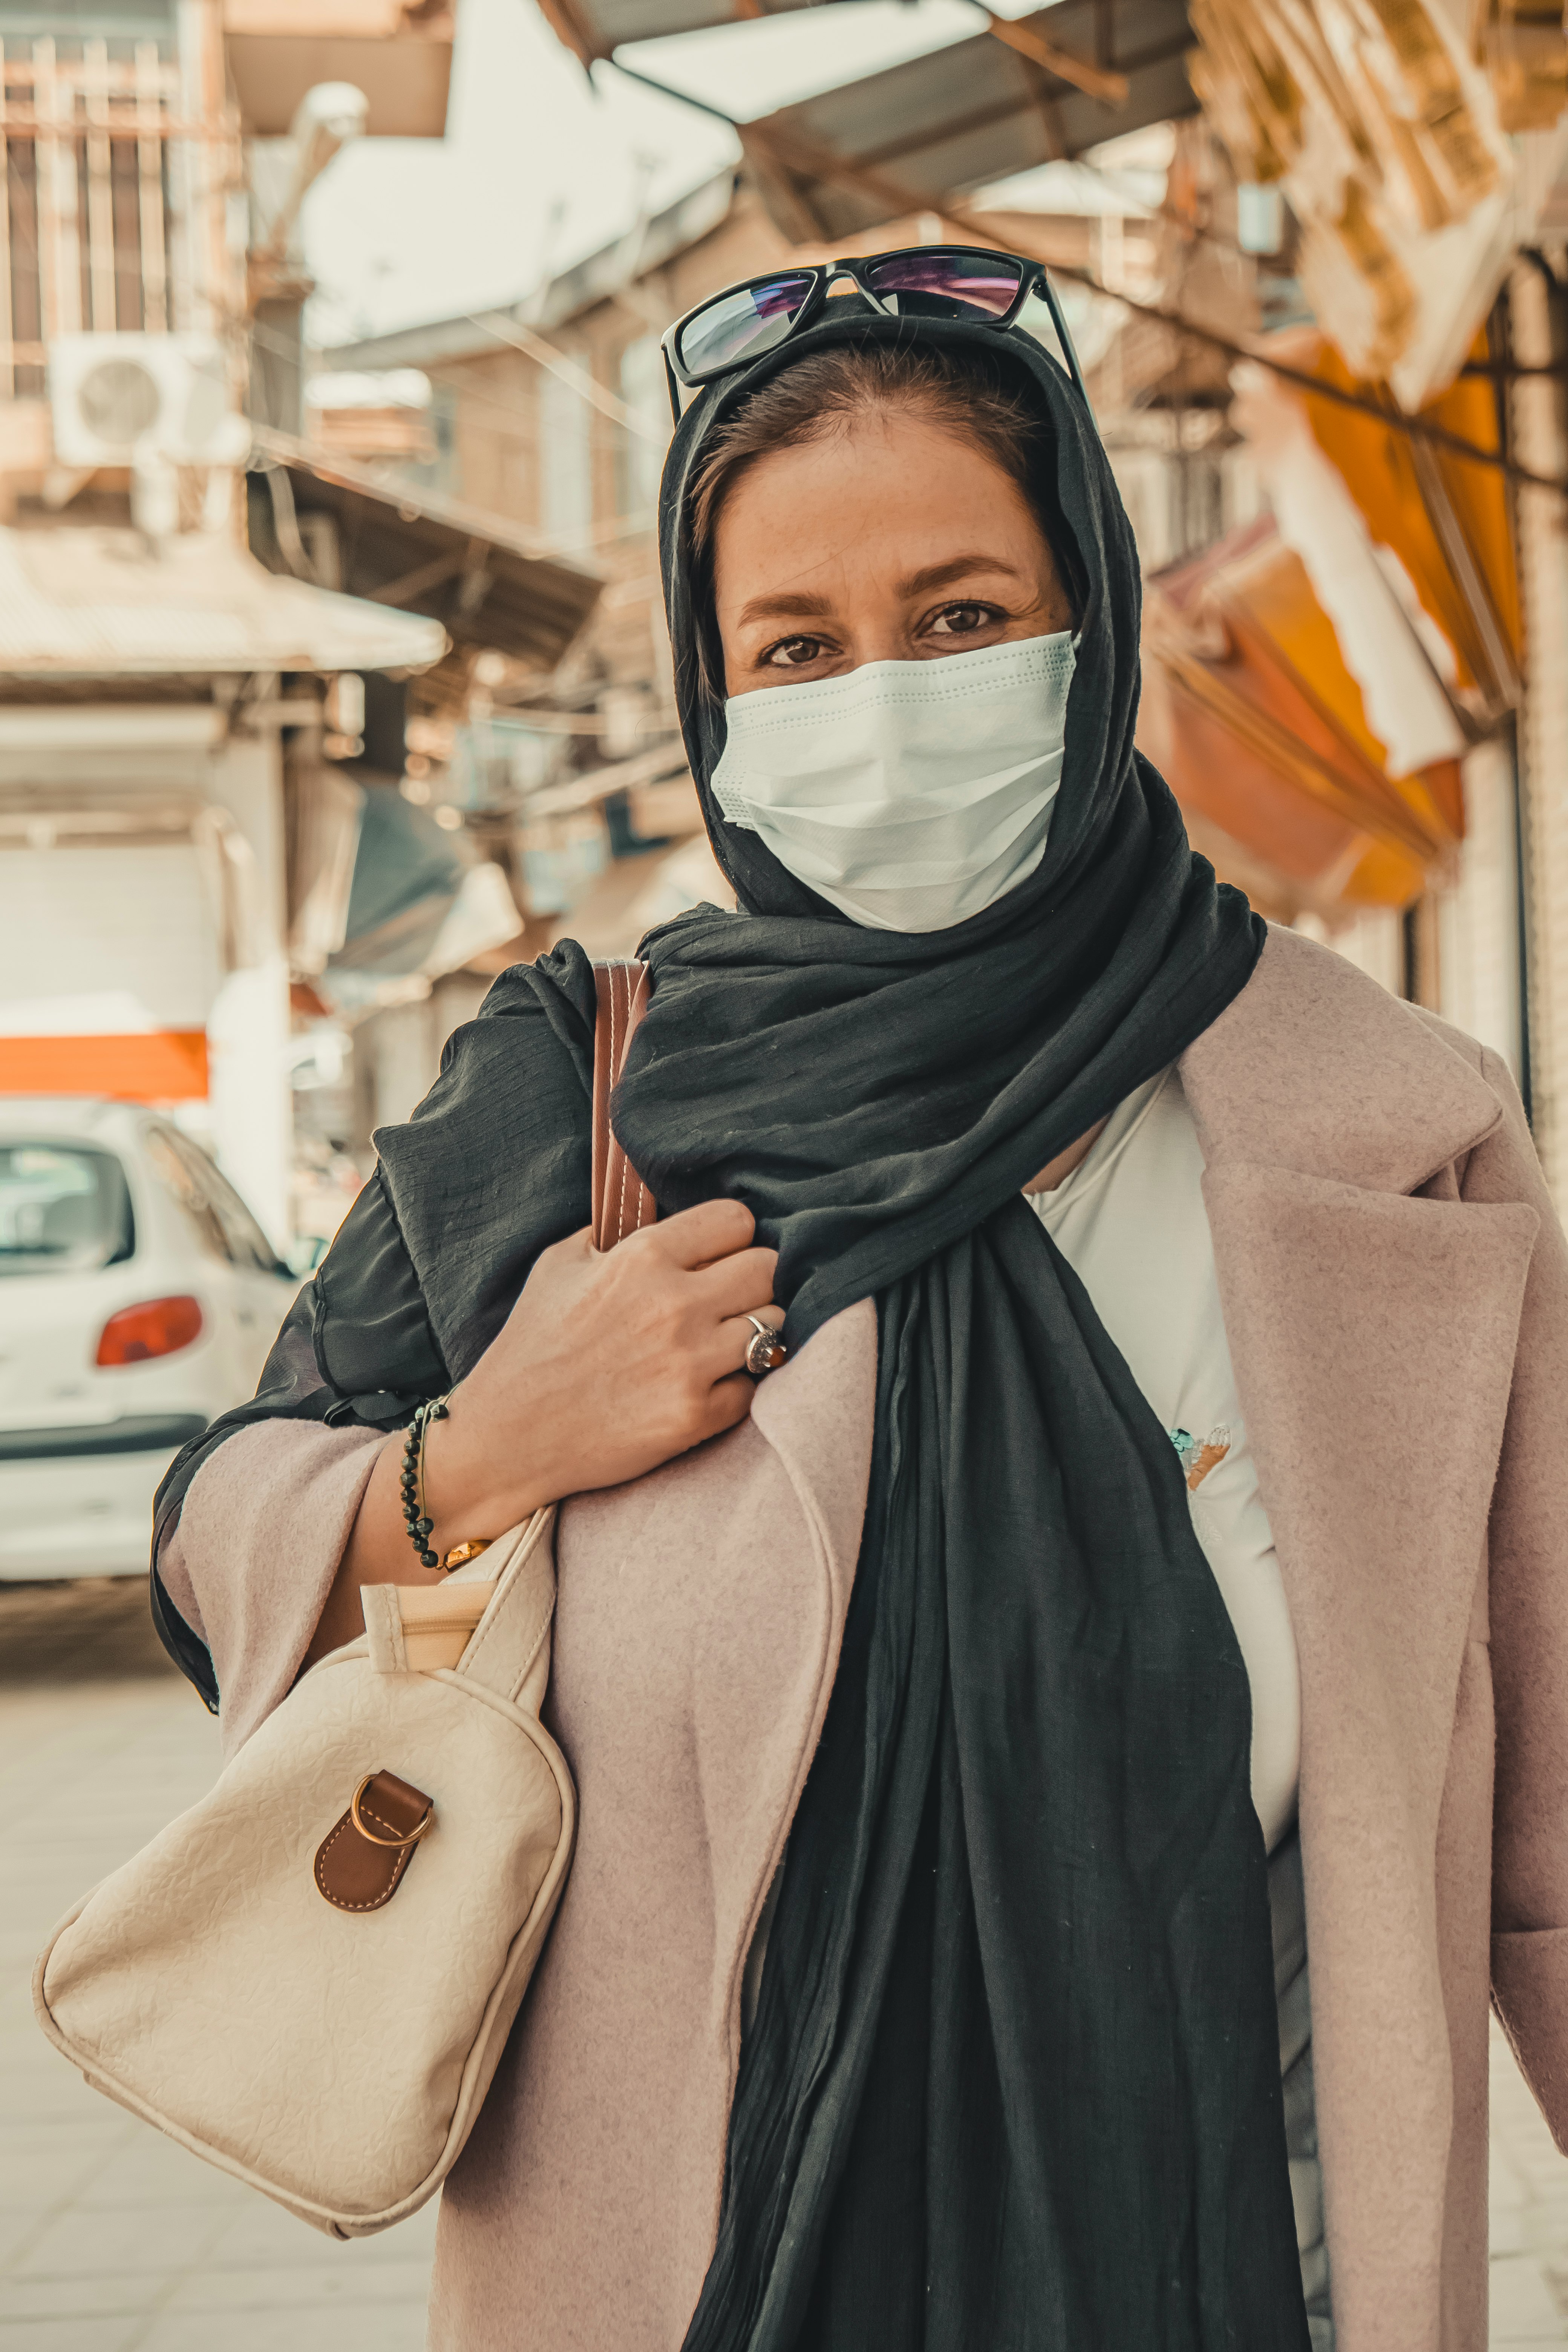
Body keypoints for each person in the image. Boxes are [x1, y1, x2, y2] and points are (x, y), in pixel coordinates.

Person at [152, 251, 1568, 2352]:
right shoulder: (587, 1093)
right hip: (703, 2272)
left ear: (1092, 622)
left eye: (963, 620)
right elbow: (213, 1530)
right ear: (718, 701)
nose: (881, 703)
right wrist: (489, 1451)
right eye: (796, 647)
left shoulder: (1390, 1136)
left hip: (1261, 2263)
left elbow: (1548, 1817)